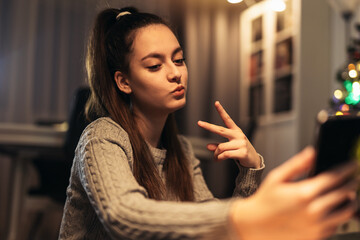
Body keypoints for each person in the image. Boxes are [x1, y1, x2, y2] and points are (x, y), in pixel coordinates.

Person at [59, 7, 359, 240]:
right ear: (124, 82)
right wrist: (245, 214)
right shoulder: (102, 137)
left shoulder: (183, 151)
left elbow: (207, 227)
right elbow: (123, 216)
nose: (176, 74)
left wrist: (250, 171)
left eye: (179, 60)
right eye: (154, 65)